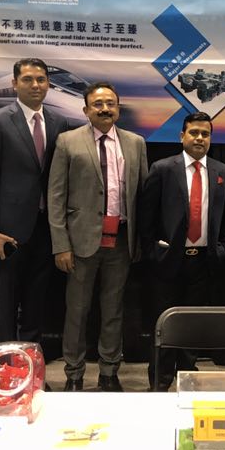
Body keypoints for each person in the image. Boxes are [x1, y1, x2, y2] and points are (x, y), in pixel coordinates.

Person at [48, 82, 147, 392]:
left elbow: (143, 195)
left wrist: (140, 241)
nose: (105, 109)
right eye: (98, 104)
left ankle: (109, 372)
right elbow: (55, 197)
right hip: (80, 243)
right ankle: (74, 374)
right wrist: (61, 245)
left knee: (113, 309)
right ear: (86, 110)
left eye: (110, 103)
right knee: (77, 311)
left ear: (118, 108)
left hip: (121, 242)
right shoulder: (67, 141)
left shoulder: (135, 143)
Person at [141, 111, 225, 391]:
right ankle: (159, 386)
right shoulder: (162, 169)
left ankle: (187, 383)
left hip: (204, 263)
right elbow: (147, 219)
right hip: (168, 262)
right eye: (194, 133)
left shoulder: (222, 173)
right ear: (182, 136)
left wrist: (221, 251)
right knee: (163, 326)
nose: (199, 138)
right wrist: (154, 252)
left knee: (193, 326)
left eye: (205, 134)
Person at [0, 58, 70, 343]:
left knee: (37, 300)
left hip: (46, 227)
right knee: (6, 301)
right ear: (14, 83)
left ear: (48, 84)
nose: (35, 85)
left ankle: (30, 360)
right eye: (28, 79)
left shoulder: (59, 122)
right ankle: (6, 363)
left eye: (41, 79)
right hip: (9, 230)